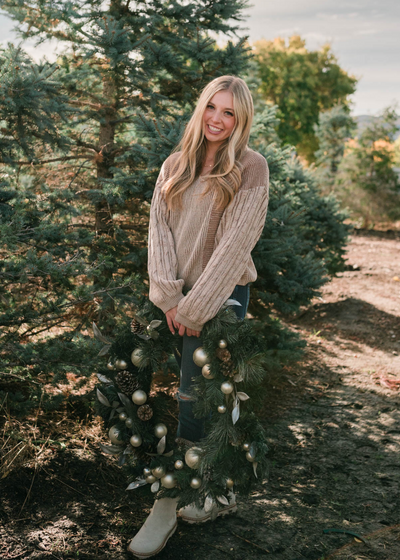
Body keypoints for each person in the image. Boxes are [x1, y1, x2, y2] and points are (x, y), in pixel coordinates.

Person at [128, 75, 269, 558]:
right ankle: (208, 485)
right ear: (201, 108)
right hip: (175, 299)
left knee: (197, 399)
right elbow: (158, 232)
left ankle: (175, 501)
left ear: (241, 119)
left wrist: (194, 308)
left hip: (221, 301)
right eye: (213, 107)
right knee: (165, 395)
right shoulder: (175, 164)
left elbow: (235, 247)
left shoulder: (250, 168)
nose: (218, 119)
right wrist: (168, 298)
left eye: (230, 112)